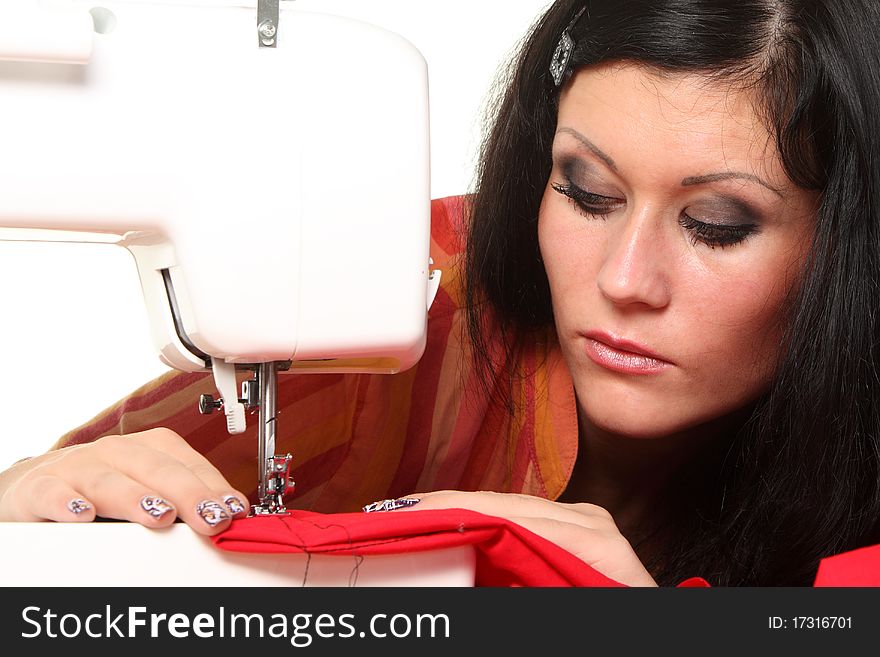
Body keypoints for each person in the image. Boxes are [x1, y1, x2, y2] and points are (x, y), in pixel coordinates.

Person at [2, 0, 879, 587]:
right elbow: (65, 504)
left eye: (717, 224)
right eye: (585, 191)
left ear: (850, 239)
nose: (621, 280)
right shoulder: (394, 296)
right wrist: (25, 507)